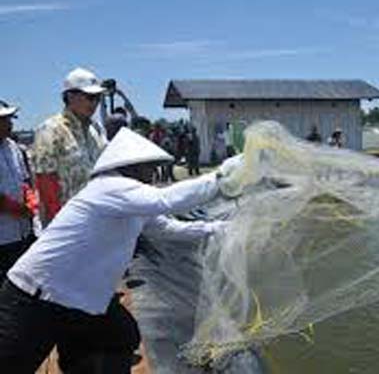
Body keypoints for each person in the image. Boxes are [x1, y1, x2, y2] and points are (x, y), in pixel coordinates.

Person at [0, 127, 246, 373]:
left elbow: (168, 228)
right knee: (12, 364)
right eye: (147, 167)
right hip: (37, 296)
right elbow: (167, 200)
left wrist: (219, 228)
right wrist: (222, 176)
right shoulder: (110, 187)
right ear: (130, 166)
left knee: (119, 336)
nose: (152, 173)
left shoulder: (130, 204)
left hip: (77, 298)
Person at [32, 67, 107, 227]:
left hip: (98, 217)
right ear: (69, 96)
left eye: (98, 97)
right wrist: (61, 225)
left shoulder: (97, 129)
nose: (94, 103)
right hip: (67, 223)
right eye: (89, 97)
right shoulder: (51, 129)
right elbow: (46, 182)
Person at [0, 101, 38, 279]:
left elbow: (23, 180)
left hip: (23, 232)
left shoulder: (12, 147)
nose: (10, 124)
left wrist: (30, 200)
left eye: (9, 119)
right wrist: (19, 209)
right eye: (3, 120)